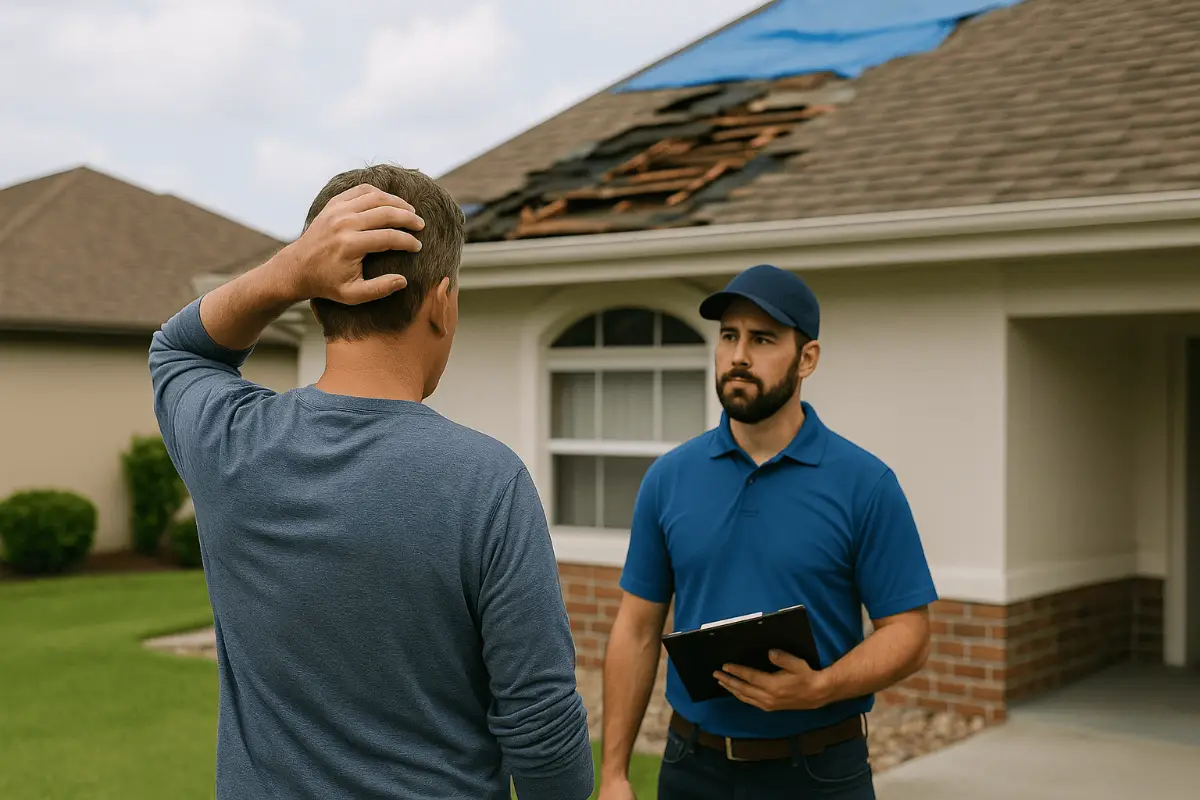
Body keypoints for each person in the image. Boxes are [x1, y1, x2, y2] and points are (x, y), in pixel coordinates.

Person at [149, 165, 593, 800]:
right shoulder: (487, 481)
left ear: (316, 294)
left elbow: (179, 350)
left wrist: (289, 271)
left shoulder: (230, 444)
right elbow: (541, 723)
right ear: (443, 302)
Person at [597, 264, 938, 799]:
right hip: (693, 768)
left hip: (820, 771)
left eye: (762, 339)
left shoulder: (865, 483)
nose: (738, 355)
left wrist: (821, 687)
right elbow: (636, 631)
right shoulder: (669, 479)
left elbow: (909, 635)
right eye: (729, 336)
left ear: (807, 359)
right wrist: (614, 773)